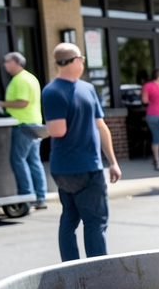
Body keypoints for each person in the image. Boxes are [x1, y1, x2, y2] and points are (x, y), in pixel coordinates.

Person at [42, 43, 121, 261]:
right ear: (75, 60)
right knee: (96, 223)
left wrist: (112, 161)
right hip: (86, 167)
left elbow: (99, 126)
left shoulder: (53, 91)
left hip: (62, 169)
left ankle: (70, 269)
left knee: (69, 219)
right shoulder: (63, 91)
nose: (83, 62)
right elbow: (60, 130)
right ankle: (99, 273)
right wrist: (112, 162)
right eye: (82, 58)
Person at [0, 52, 48, 210]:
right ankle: (40, 197)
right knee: (34, 161)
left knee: (18, 160)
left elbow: (22, 103)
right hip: (34, 123)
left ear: (16, 62)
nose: (4, 65)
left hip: (23, 125)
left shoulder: (20, 80)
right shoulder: (30, 77)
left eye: (7, 61)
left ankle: (26, 195)